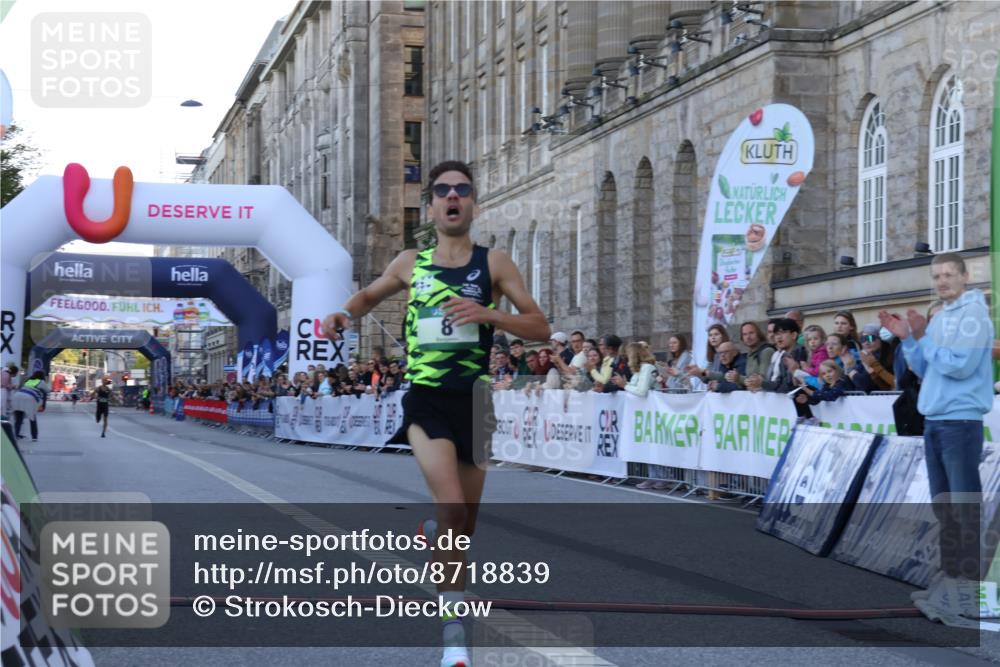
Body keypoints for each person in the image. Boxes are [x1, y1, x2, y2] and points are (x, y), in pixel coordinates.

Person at [321, 160, 550, 667]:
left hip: (475, 401)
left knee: (461, 525)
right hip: (425, 398)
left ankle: (435, 537)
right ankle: (454, 637)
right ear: (430, 206)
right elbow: (368, 295)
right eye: (443, 190)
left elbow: (539, 328)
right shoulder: (410, 262)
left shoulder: (496, 264)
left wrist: (490, 313)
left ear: (472, 203)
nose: (453, 197)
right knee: (450, 506)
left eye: (462, 190)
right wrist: (343, 313)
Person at [880, 253, 994, 618]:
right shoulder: (943, 317)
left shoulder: (974, 315)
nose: (942, 281)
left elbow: (958, 366)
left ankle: (970, 592)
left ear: (963, 276)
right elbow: (927, 367)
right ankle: (953, 582)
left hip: (959, 422)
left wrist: (922, 337)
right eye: (936, 275)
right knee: (946, 508)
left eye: (948, 274)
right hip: (936, 421)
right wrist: (910, 340)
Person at [12, 371, 48, 441]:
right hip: (29, 398)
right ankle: (34, 437)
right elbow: (48, 390)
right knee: (32, 418)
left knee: (19, 418)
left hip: (17, 396)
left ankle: (16, 435)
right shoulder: (41, 382)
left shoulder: (29, 380)